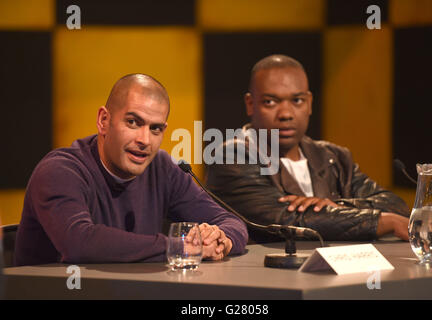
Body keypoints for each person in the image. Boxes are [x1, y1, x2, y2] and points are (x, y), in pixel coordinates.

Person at [14, 74, 248, 266]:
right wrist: (181, 247)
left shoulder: (163, 168)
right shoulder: (60, 171)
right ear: (104, 120)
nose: (144, 140)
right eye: (133, 122)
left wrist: (221, 240)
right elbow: (79, 243)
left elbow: (230, 221)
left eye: (155, 129)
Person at [206, 54, 410, 243]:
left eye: (297, 100)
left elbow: (395, 205)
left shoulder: (333, 156)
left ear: (309, 103)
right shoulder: (232, 156)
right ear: (250, 104)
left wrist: (336, 206)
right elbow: (288, 220)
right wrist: (383, 221)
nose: (286, 113)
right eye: (270, 102)